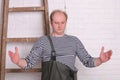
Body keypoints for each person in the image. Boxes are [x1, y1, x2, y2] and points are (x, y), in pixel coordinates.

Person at [8, 10, 112, 79]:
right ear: (51, 22)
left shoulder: (74, 41)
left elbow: (87, 61)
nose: (60, 26)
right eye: (56, 23)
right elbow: (29, 63)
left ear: (66, 22)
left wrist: (100, 60)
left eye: (63, 22)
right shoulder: (43, 41)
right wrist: (18, 61)